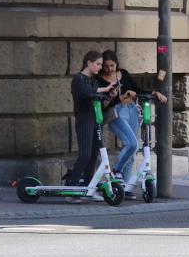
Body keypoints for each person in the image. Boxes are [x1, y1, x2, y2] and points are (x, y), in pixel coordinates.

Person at [98, 51, 165, 180]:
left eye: (112, 65)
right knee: (132, 144)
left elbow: (137, 89)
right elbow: (105, 103)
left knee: (131, 151)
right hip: (116, 112)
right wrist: (122, 96)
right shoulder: (99, 79)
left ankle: (125, 185)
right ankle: (116, 171)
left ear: (116, 63)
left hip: (132, 110)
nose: (109, 69)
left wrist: (154, 92)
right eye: (106, 66)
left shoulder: (123, 73)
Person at [65, 51, 118, 192]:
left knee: (94, 154)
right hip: (84, 118)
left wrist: (109, 96)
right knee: (85, 154)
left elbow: (101, 104)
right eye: (98, 64)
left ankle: (89, 188)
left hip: (96, 119)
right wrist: (104, 89)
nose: (100, 67)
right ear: (89, 63)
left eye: (101, 64)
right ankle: (71, 188)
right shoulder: (79, 78)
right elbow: (84, 92)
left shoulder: (95, 81)